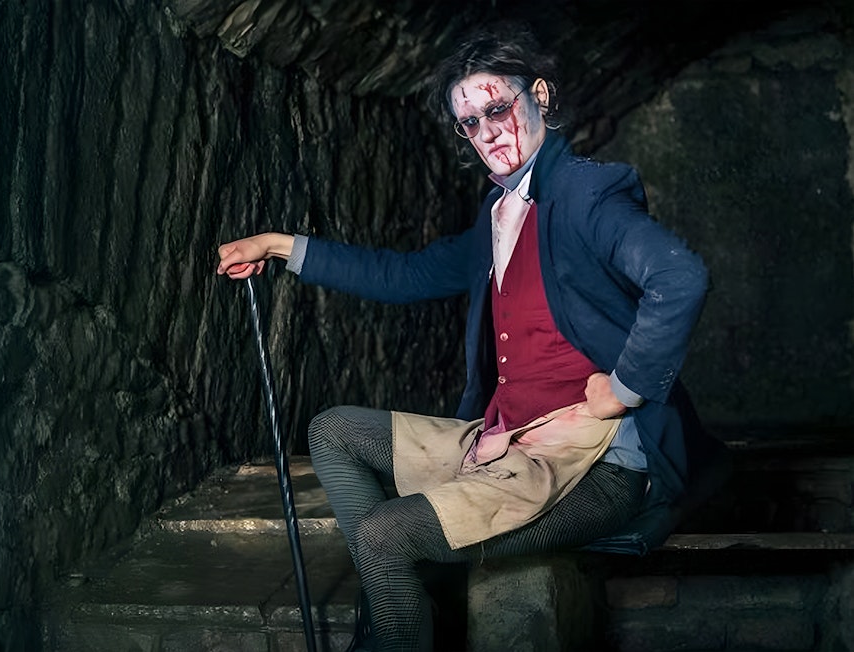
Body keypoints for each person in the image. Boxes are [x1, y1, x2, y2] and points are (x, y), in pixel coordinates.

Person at [217, 22, 722, 652]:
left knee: (382, 537)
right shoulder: (497, 212)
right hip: (507, 436)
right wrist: (279, 245)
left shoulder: (586, 192)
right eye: (470, 123)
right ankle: (403, 604)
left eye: (498, 109)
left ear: (538, 93)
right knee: (333, 430)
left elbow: (679, 277)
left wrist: (623, 389)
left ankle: (393, 624)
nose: (487, 134)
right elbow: (407, 275)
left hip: (593, 463)